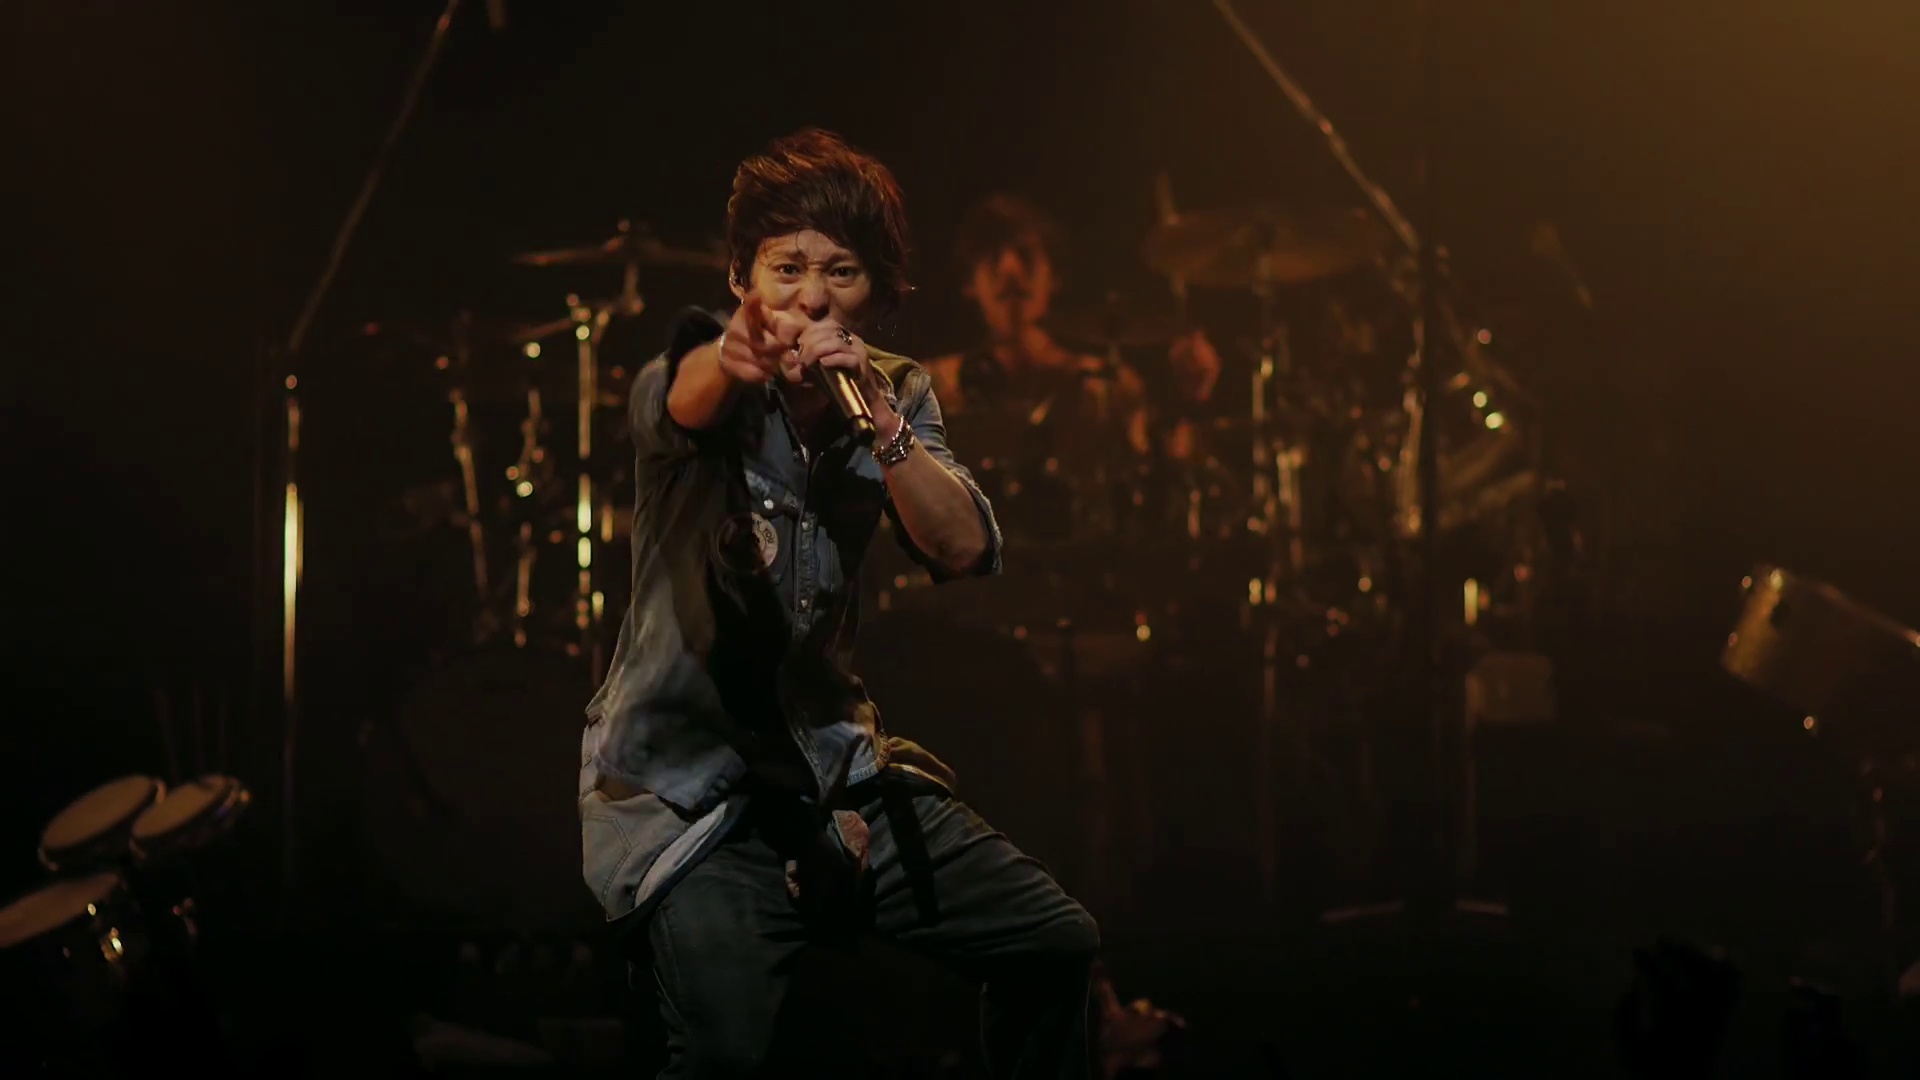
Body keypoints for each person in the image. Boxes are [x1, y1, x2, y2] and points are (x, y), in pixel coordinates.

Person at [578, 129, 1100, 1077]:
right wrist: (727, 357)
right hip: (691, 793)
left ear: (879, 298)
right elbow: (673, 400)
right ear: (742, 279)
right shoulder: (708, 369)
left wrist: (883, 423)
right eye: (785, 269)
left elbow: (963, 547)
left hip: (831, 774)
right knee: (728, 1055)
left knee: (1055, 943)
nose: (811, 299)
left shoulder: (894, 391)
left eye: (841, 273)